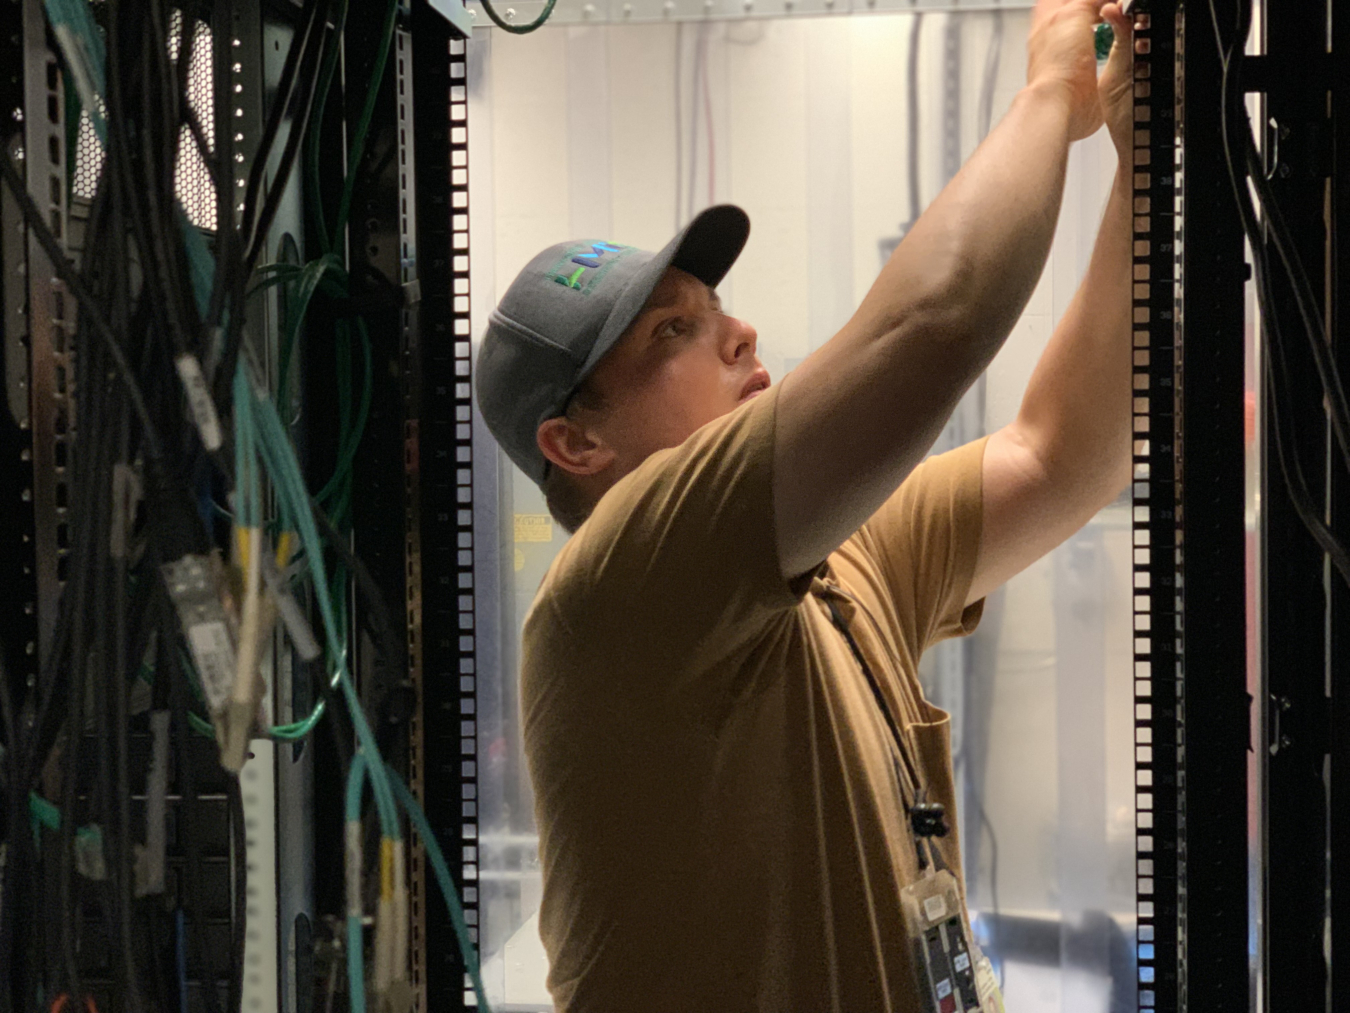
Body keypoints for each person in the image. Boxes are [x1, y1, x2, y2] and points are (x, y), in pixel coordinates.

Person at [474, 0, 1134, 1008]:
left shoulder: (828, 561)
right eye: (671, 334)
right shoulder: (615, 591)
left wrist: (1143, 164)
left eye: (718, 310)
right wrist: (1051, 85)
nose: (739, 333)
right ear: (576, 442)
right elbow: (937, 319)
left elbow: (1065, 455)